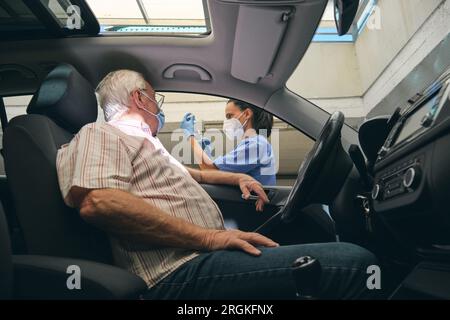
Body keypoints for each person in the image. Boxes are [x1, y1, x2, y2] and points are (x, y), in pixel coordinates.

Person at [56, 69, 378, 299]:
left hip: (199, 257)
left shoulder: (148, 145)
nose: (159, 106)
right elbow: (99, 202)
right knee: (354, 265)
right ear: (140, 98)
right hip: (176, 274)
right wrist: (211, 238)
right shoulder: (103, 134)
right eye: (156, 98)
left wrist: (238, 176)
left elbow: (195, 174)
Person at [180, 100, 277, 185]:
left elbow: (210, 171)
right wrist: (206, 154)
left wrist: (190, 137)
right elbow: (215, 173)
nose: (227, 122)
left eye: (230, 116)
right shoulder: (256, 143)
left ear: (247, 114)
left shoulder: (257, 144)